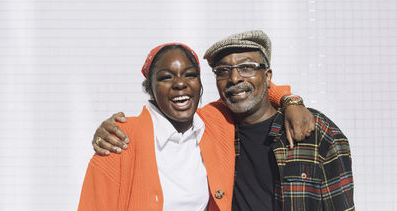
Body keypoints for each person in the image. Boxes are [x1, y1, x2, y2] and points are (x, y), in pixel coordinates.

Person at [92, 30, 354, 210]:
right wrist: (113, 129)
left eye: (247, 67)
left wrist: (290, 101)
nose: (235, 78)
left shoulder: (318, 132)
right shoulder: (213, 124)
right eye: (223, 71)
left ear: (268, 75)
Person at [79, 43, 222, 210]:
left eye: (190, 75)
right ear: (150, 88)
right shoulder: (119, 139)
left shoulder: (215, 124)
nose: (180, 83)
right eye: (166, 77)